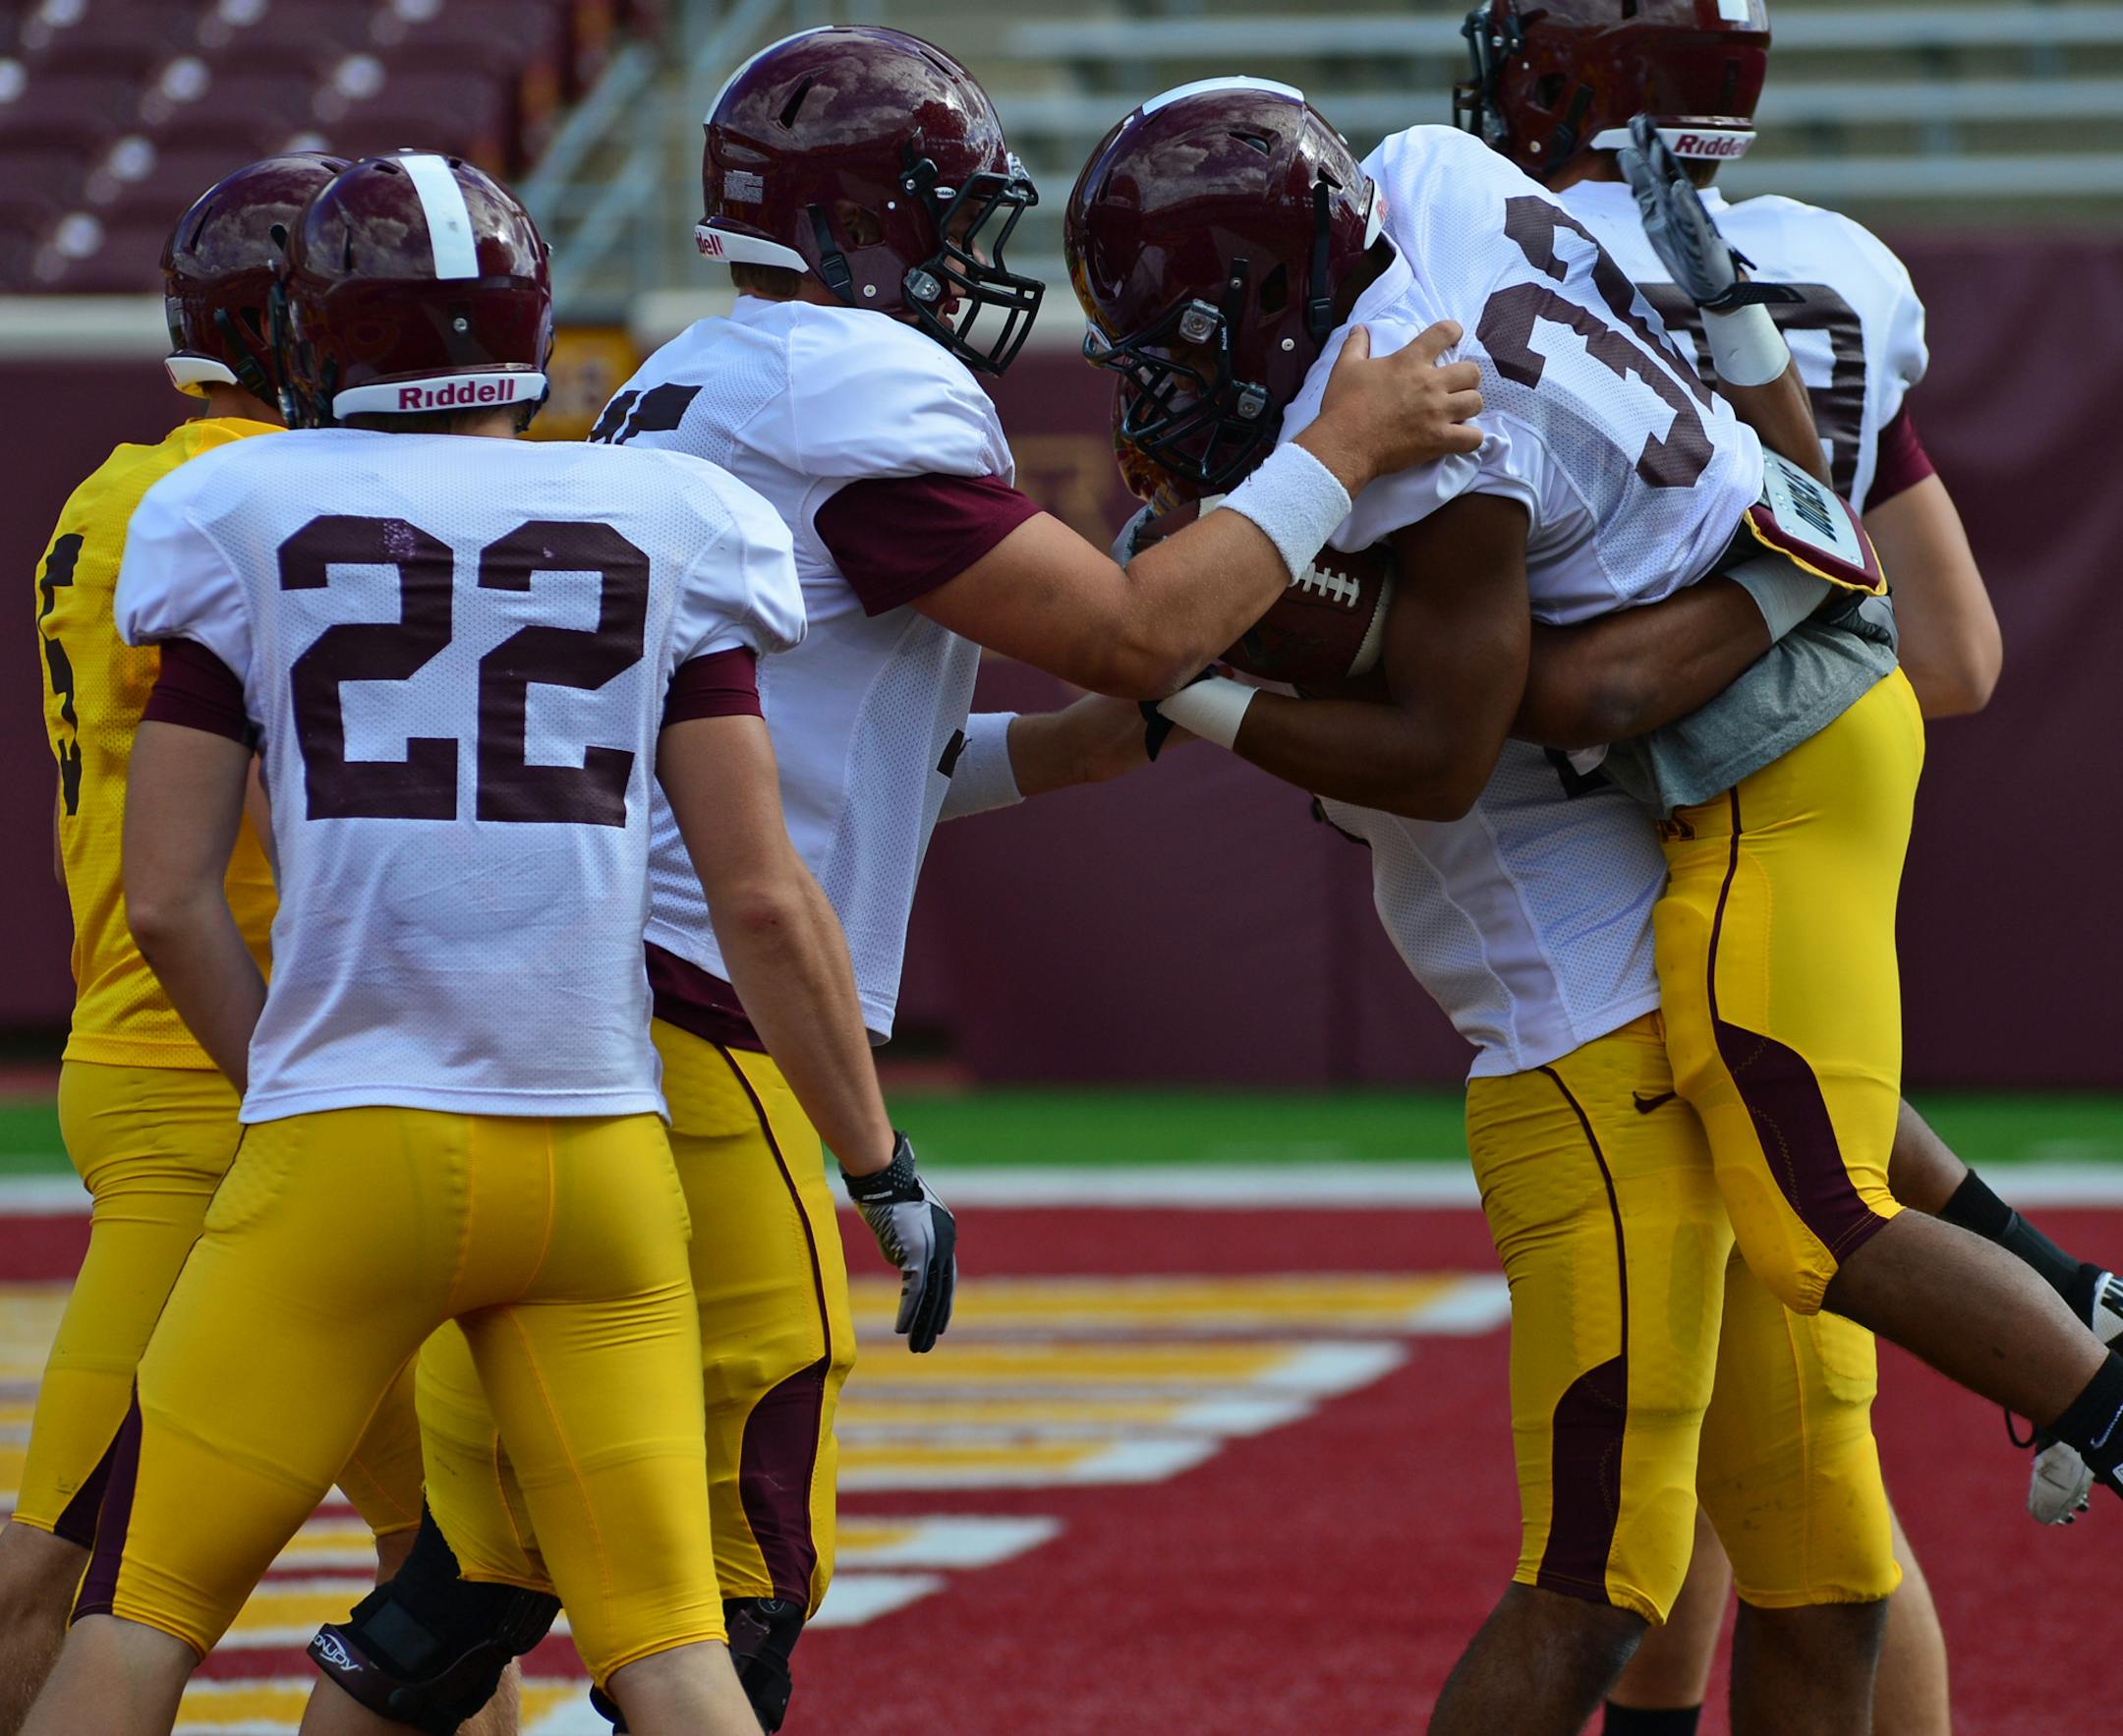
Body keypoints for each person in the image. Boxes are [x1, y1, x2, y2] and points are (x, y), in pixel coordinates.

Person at [305, 28, 1487, 1736]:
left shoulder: (688, 383)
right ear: (869, 224)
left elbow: (897, 759)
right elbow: (1141, 628)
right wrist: (1345, 451)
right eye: (949, 219)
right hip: (709, 1034)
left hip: (562, 1002)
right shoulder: (848, 386)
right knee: (738, 1576)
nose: (969, 263)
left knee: (475, 1580)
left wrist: (1180, 712)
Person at [1066, 78, 2123, 1733]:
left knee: (1749, 1363)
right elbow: (1122, 696)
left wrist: (1229, 636)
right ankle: (2072, 1307)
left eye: (1193, 349)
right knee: (1801, 1541)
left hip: (1666, 884)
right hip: (1694, 846)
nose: (1174, 400)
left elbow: (1455, 730)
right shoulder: (1420, 180)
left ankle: (2106, 1383)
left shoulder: (1426, 458)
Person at [19, 147, 909, 1736]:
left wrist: (292, 1076)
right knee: (671, 1650)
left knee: (140, 1617)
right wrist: (880, 1168)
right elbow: (765, 897)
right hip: (596, 1160)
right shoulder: (668, 514)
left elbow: (165, 894)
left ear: (316, 334)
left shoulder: (234, 502)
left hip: (348, 1143)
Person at [1449, 4, 2114, 1724]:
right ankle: (2066, 1302)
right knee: (1801, 1468)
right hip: (1788, 792)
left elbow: (1486, 688)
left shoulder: (1463, 244)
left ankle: (2095, 1368)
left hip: (1620, 848)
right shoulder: (1838, 267)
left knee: (1712, 1436)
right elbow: (1949, 655)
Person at [3, 151, 462, 1736]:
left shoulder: (128, 487)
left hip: (208, 1057)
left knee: (444, 1582)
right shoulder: (247, 499)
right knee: (59, 1560)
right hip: (227, 1065)